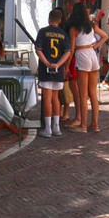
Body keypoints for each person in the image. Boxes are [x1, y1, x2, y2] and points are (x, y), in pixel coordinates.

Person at [67, 3, 108, 132]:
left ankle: (83, 125)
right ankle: (95, 124)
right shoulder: (91, 25)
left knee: (83, 94)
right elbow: (105, 36)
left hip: (82, 54)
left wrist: (67, 66)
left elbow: (72, 49)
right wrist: (95, 46)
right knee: (93, 93)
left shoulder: (74, 28)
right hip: (92, 54)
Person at [35, 8, 71, 138]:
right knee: (56, 98)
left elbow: (38, 50)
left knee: (47, 98)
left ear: (49, 19)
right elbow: (67, 52)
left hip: (46, 70)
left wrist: (47, 63)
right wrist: (58, 64)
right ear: (60, 21)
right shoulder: (63, 34)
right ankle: (56, 127)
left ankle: (48, 128)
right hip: (58, 70)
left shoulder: (43, 32)